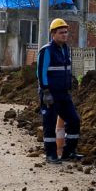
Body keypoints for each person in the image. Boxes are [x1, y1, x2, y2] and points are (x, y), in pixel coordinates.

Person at [37, 18, 82, 164]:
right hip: (50, 94)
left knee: (74, 120)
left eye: (66, 32)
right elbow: (41, 73)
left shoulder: (65, 49)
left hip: (63, 93)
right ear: (53, 34)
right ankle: (51, 155)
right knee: (49, 124)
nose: (65, 35)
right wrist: (45, 91)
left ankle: (69, 152)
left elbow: (66, 69)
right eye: (61, 32)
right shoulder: (46, 51)